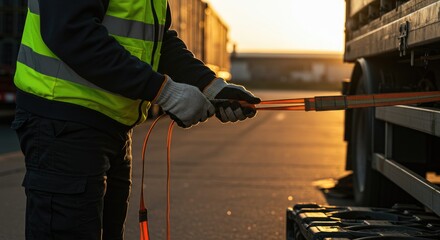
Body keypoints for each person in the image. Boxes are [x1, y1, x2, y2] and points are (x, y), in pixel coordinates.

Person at [11, 0, 260, 239]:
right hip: (64, 124)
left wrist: (211, 86)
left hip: (111, 126)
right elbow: (71, 32)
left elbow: (158, 42)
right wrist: (164, 92)